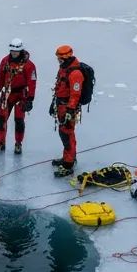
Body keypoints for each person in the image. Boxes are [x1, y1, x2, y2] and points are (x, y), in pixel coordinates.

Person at [0, 37, 37, 154]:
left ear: (21, 50)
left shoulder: (29, 65)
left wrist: (30, 99)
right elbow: (0, 77)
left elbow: (32, 83)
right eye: (12, 50)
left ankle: (18, 143)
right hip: (8, 93)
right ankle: (0, 142)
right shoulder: (5, 61)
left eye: (16, 51)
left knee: (19, 120)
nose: (14, 53)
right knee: (1, 119)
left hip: (21, 95)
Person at [50, 44, 84, 175]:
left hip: (68, 107)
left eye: (60, 59)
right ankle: (67, 158)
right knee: (64, 132)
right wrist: (54, 103)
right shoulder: (64, 68)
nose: (58, 61)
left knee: (67, 133)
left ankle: (69, 164)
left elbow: (75, 94)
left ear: (65, 58)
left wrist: (70, 110)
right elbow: (59, 87)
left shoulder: (75, 73)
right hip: (61, 105)